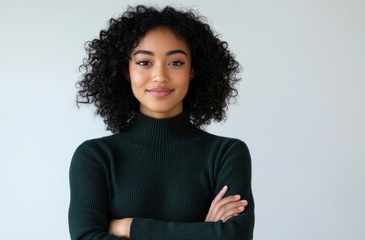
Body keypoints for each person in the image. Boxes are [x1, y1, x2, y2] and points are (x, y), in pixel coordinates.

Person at [69, 5, 254, 239]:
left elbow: (234, 236)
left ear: (193, 70)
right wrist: (205, 232)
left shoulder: (226, 154)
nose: (160, 76)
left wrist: (129, 227)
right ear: (126, 71)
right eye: (144, 62)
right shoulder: (95, 157)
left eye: (175, 62)